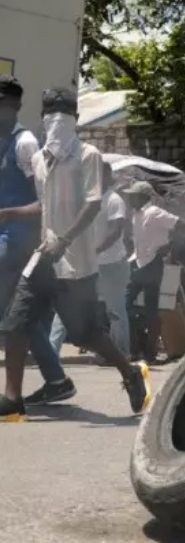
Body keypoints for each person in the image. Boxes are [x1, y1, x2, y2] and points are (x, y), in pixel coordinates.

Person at [0, 88, 150, 419]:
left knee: (85, 333)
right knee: (13, 323)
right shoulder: (39, 159)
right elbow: (45, 205)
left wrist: (65, 239)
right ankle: (12, 398)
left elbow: (93, 202)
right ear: (42, 118)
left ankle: (130, 372)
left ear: (76, 120)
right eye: (50, 114)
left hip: (76, 263)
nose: (55, 122)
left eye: (62, 115)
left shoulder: (89, 156)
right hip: (43, 258)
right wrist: (10, 213)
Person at [0, 76, 72, 406]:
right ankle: (56, 379)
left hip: (19, 242)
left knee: (14, 316)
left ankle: (25, 390)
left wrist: (8, 214)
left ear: (13, 105)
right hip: (6, 240)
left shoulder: (25, 142)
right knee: (18, 315)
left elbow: (48, 201)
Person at [48, 161, 131, 365]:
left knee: (115, 311)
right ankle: (51, 352)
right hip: (84, 264)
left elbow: (115, 231)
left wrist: (93, 251)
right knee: (68, 306)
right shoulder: (84, 200)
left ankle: (122, 355)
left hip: (110, 264)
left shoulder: (114, 200)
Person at [125, 181, 180, 364]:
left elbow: (180, 224)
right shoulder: (136, 214)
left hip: (152, 264)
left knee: (150, 309)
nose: (130, 198)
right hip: (137, 262)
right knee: (125, 306)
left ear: (144, 196)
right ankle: (136, 347)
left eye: (133, 195)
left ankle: (149, 353)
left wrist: (169, 245)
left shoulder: (155, 212)